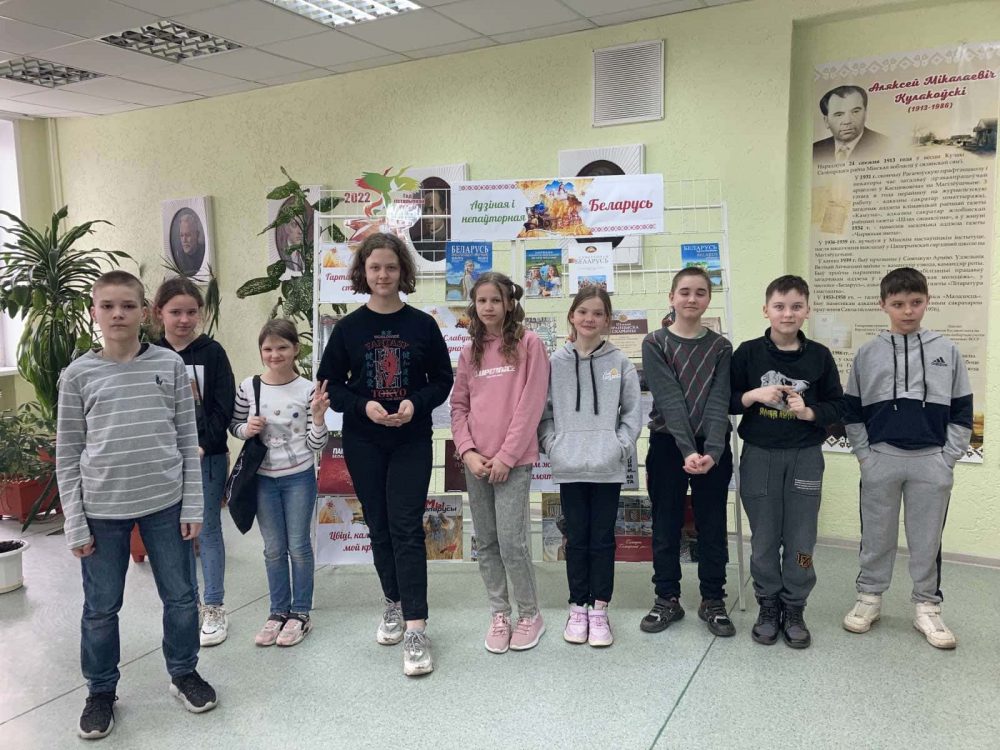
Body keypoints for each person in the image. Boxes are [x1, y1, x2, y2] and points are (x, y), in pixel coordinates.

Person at [56, 270, 216, 740]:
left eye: (127, 305)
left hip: (165, 504)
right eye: (107, 306)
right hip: (101, 511)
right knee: (101, 608)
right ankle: (101, 691)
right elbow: (68, 453)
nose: (118, 314)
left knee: (181, 596)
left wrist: (193, 505)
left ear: (145, 312)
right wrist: (74, 522)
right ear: (94, 312)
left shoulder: (169, 365)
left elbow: (187, 439)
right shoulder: (77, 375)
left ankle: (184, 672)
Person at [317, 232, 453, 676]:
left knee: (407, 527)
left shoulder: (423, 325)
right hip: (364, 441)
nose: (382, 275)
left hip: (411, 440)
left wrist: (416, 402)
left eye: (391, 267)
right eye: (375, 267)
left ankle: (416, 626)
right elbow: (331, 386)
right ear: (363, 271)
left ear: (403, 271)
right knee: (378, 526)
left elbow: (442, 380)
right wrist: (363, 406)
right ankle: (393, 602)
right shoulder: (348, 329)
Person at [841, 267, 972, 649]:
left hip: (932, 460)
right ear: (883, 305)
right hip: (881, 458)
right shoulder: (868, 353)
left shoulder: (947, 350)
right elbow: (852, 410)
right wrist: (865, 455)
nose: (908, 311)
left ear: (927, 301)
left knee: (926, 539)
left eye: (916, 302)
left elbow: (962, 410)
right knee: (876, 536)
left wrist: (948, 458)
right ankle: (869, 597)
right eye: (898, 304)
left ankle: (927, 607)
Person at [729, 275, 845, 649]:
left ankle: (794, 606)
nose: (787, 313)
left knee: (801, 538)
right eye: (779, 306)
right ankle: (768, 604)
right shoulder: (748, 353)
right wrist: (752, 395)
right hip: (759, 457)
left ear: (807, 310)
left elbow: (838, 406)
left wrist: (809, 412)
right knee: (764, 537)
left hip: (805, 457)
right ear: (766, 310)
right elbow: (726, 399)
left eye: (796, 306)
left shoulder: (819, 356)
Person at [450, 272, 549, 654]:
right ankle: (500, 614)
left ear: (509, 303)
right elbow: (459, 406)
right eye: (481, 301)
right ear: (474, 305)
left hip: (514, 462)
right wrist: (467, 451)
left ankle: (529, 615)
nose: (488, 307)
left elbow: (531, 405)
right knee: (487, 542)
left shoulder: (530, 344)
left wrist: (507, 456)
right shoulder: (468, 351)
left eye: (496, 300)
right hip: (477, 462)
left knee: (512, 542)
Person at [538, 287, 642, 647]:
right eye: (583, 312)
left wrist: (620, 446)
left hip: (606, 466)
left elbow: (632, 412)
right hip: (569, 465)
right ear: (571, 316)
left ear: (607, 320)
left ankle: (599, 609)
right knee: (576, 538)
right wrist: (553, 445)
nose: (589, 319)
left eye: (598, 313)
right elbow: (544, 412)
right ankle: (577, 607)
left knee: (602, 540)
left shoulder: (620, 362)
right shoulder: (555, 362)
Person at [639, 267, 735, 638]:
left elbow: (719, 400)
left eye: (699, 292)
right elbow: (670, 400)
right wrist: (686, 450)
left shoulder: (721, 347)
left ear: (709, 299)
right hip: (668, 445)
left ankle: (713, 599)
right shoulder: (655, 343)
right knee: (666, 524)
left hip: (713, 447)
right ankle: (667, 598)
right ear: (671, 298)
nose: (691, 298)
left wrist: (712, 451)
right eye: (684, 292)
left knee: (712, 525)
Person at [230, 319, 329, 648]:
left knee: (298, 546)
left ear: (295, 349)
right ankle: (277, 611)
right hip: (262, 479)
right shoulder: (249, 387)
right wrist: (246, 429)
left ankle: (300, 612)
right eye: (268, 348)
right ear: (261, 351)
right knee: (273, 548)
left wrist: (318, 418)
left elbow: (316, 445)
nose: (275, 354)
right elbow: (234, 424)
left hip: (299, 477)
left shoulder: (308, 390)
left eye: (282, 347)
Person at [153, 277, 235, 647]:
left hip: (207, 458)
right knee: (175, 534)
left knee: (208, 530)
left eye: (191, 312)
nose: (184, 319)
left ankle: (214, 606)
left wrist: (202, 445)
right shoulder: (149, 354)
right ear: (159, 313)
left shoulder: (212, 353)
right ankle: (188, 606)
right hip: (163, 463)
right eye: (175, 312)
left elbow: (223, 406)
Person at [813, 85, 891, 162]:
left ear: (865, 113)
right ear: (826, 121)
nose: (847, 121)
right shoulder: (815, 151)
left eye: (855, 112)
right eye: (839, 115)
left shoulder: (886, 145)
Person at [172, 209, 206, 277]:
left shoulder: (204, 252)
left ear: (197, 235)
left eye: (188, 235)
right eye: (181, 235)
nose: (184, 240)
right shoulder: (178, 257)